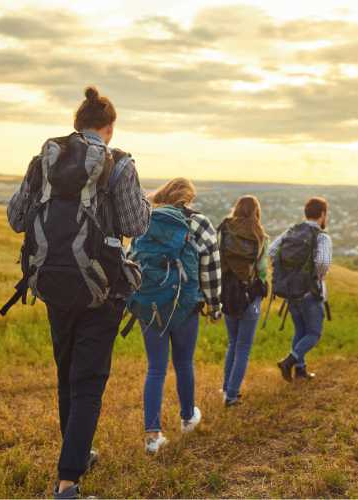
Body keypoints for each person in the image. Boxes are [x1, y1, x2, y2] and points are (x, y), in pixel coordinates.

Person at [38, 87, 150, 499]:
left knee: (67, 372)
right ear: (110, 128)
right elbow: (136, 224)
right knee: (89, 380)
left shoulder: (45, 159)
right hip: (102, 288)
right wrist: (146, 203)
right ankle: (68, 482)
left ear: (76, 124)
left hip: (53, 283)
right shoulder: (117, 164)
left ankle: (78, 453)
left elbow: (17, 216)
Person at [127, 178, 222, 454]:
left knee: (155, 368)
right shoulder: (200, 223)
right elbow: (211, 270)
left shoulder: (145, 220)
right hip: (185, 306)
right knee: (184, 363)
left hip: (150, 305)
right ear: (188, 198)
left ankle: (153, 436)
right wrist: (214, 307)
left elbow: (132, 259)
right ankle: (187, 417)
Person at [269, 197, 332, 382]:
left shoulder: (291, 231)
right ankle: (290, 361)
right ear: (322, 214)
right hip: (310, 292)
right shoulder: (321, 236)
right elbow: (323, 262)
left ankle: (301, 370)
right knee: (313, 334)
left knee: (300, 331)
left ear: (306, 213)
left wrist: (289, 271)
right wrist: (316, 276)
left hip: (291, 291)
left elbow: (272, 251)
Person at [218, 196, 269, 406]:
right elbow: (263, 271)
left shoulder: (224, 229)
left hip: (228, 293)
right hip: (249, 295)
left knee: (233, 343)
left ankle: (226, 389)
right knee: (243, 347)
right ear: (256, 211)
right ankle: (232, 395)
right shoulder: (260, 236)